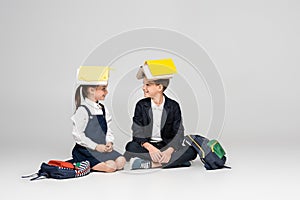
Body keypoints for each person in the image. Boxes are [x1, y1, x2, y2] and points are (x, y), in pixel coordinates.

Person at [124, 59, 197, 169]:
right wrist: (151, 148)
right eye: (144, 84)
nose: (144, 88)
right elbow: (137, 132)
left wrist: (169, 151)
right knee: (131, 147)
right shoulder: (141, 105)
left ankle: (151, 164)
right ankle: (176, 162)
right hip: (148, 147)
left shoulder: (173, 106)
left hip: (166, 146)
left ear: (159, 87)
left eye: (148, 85)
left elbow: (179, 132)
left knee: (191, 151)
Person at [70, 66, 126, 172]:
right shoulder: (83, 110)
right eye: (103, 89)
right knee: (111, 167)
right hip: (87, 150)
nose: (107, 92)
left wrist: (109, 142)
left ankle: (100, 162)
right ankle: (86, 163)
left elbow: (108, 129)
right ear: (91, 90)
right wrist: (95, 146)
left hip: (102, 149)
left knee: (121, 161)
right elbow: (78, 135)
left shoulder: (103, 109)